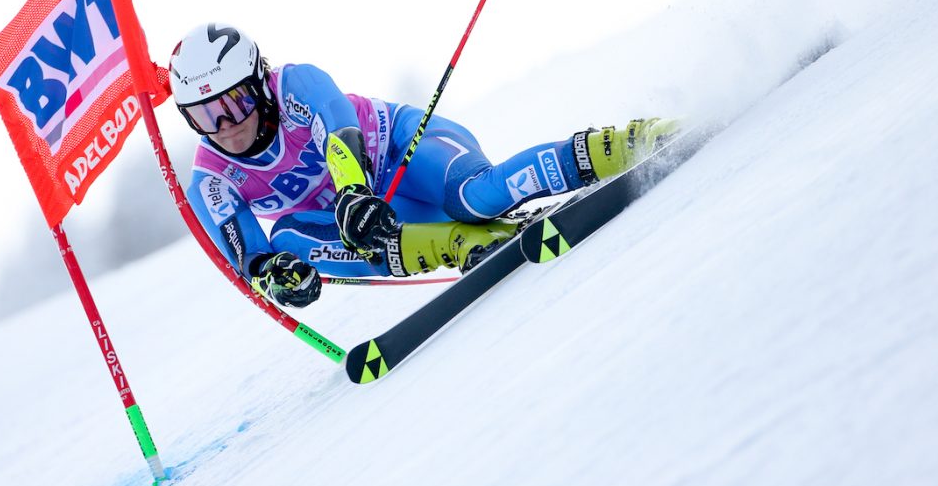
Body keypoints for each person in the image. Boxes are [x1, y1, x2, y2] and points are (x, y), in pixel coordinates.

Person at [170, 23, 680, 308]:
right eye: (203, 116)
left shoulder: (294, 85)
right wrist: (279, 277)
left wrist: (351, 192)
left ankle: (622, 143)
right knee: (284, 240)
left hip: (404, 152)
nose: (225, 125)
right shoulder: (212, 179)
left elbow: (340, 133)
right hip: (381, 217)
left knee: (474, 199)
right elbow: (251, 259)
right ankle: (465, 245)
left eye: (235, 103)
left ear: (259, 82)